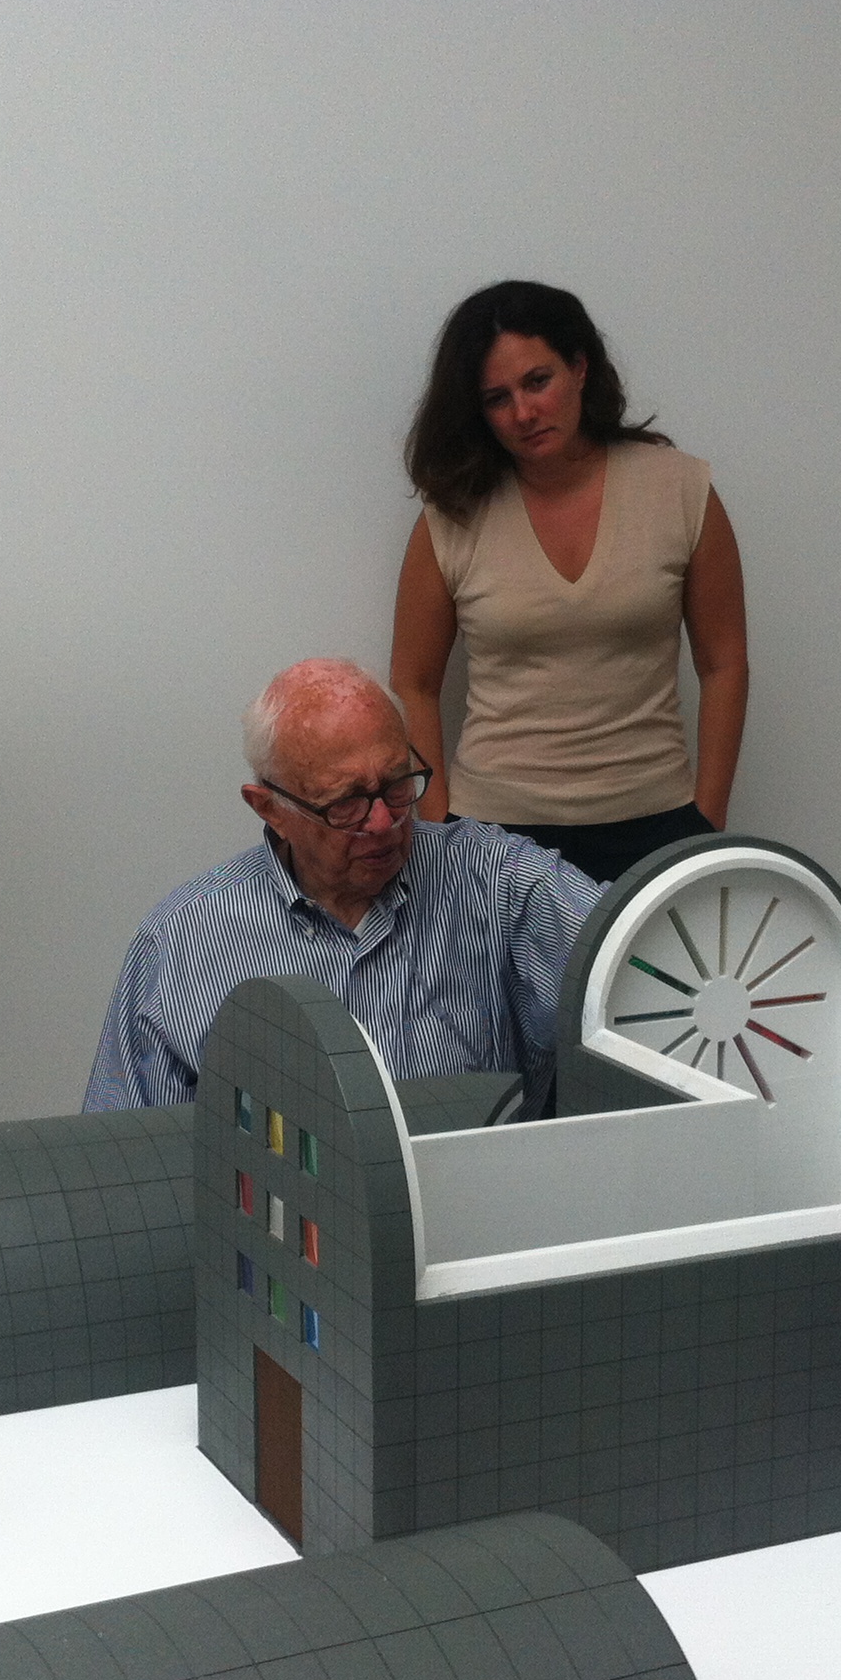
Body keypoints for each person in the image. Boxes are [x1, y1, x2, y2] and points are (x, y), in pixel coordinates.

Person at [83, 659, 604, 1111]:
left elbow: (640, 957)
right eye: (345, 803)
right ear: (271, 809)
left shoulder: (496, 881)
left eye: (397, 784)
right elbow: (127, 1154)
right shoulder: (182, 941)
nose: (383, 823)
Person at [389, 279, 749, 887]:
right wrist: (437, 829)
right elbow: (413, 682)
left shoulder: (680, 491)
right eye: (497, 398)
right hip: (492, 839)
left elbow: (725, 664)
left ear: (580, 367)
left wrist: (704, 823)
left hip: (656, 826)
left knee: (647, 987)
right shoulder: (453, 515)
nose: (524, 413)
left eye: (538, 381)